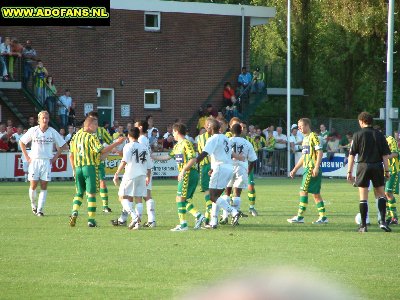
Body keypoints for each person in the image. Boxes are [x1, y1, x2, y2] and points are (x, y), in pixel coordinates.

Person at [68, 116, 125, 227]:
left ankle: (74, 212)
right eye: (95, 125)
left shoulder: (75, 137)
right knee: (91, 194)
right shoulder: (91, 137)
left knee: (79, 192)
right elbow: (101, 150)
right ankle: (91, 220)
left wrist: (74, 169)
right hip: (89, 167)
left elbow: (71, 155)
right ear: (89, 125)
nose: (96, 127)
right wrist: (117, 143)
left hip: (78, 167)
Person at [152, 123, 206, 231]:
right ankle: (198, 216)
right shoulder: (177, 146)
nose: (172, 134)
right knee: (182, 199)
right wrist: (152, 156)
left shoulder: (186, 143)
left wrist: (183, 171)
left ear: (176, 131)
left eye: (173, 132)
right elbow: (167, 156)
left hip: (189, 173)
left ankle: (184, 224)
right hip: (187, 173)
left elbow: (193, 159)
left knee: (180, 198)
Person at [196, 118, 247, 229]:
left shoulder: (212, 139)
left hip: (221, 168)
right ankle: (214, 222)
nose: (205, 128)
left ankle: (233, 211)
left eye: (206, 126)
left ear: (210, 127)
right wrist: (213, 168)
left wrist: (193, 163)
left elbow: (204, 153)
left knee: (212, 196)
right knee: (217, 196)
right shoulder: (225, 138)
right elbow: (226, 154)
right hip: (228, 167)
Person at [347, 112, 391, 232]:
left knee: (363, 197)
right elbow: (385, 155)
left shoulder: (357, 135)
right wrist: (387, 170)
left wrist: (349, 172)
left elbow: (351, 155)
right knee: (381, 194)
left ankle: (363, 226)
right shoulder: (379, 135)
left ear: (361, 121)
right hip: (377, 166)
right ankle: (382, 221)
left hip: (362, 166)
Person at [19, 111, 67, 216]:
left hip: (46, 161)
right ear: (39, 120)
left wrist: (55, 157)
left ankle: (40, 210)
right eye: (43, 118)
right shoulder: (33, 130)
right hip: (34, 160)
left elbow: (63, 146)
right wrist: (27, 156)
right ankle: (33, 205)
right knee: (33, 185)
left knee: (44, 185)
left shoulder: (52, 131)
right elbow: (22, 142)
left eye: (47, 118)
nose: (45, 120)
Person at [288, 118, 328, 224]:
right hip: (308, 168)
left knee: (303, 191)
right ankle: (323, 217)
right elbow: (304, 156)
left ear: (307, 126)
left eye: (301, 126)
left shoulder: (313, 136)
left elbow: (320, 152)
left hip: (311, 168)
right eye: (299, 127)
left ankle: (300, 216)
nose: (299, 128)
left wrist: (316, 167)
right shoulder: (305, 138)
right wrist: (295, 169)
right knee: (315, 194)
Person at [112, 127, 153, 230]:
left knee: (122, 196)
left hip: (130, 175)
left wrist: (116, 173)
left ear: (128, 136)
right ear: (138, 136)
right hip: (142, 175)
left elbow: (124, 161)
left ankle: (134, 217)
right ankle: (137, 224)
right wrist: (148, 177)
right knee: (138, 198)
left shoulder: (128, 146)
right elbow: (149, 166)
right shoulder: (144, 148)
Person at [220, 123, 257, 224]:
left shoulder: (227, 141)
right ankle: (234, 218)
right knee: (237, 193)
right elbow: (253, 159)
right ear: (241, 131)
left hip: (228, 168)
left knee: (226, 192)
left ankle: (224, 216)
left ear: (231, 131)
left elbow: (222, 155)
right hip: (241, 168)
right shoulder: (247, 143)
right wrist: (249, 170)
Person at [86, 111, 116, 213]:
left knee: (102, 182)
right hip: (87, 162)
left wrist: (108, 149)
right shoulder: (83, 132)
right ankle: (87, 206)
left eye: (95, 120)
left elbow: (110, 142)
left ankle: (105, 206)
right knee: (88, 185)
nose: (94, 122)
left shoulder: (101, 131)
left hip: (99, 162)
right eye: (91, 120)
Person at [197, 118, 213, 225]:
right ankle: (208, 218)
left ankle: (210, 215)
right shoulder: (201, 138)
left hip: (208, 166)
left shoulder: (204, 138)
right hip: (208, 166)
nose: (208, 127)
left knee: (208, 192)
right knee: (214, 192)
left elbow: (202, 153)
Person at [384, 134, 399, 225]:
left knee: (388, 193)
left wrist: (383, 156)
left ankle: (394, 217)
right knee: (384, 195)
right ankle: (389, 216)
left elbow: (395, 153)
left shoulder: (390, 139)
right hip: (385, 171)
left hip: (393, 171)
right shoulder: (377, 141)